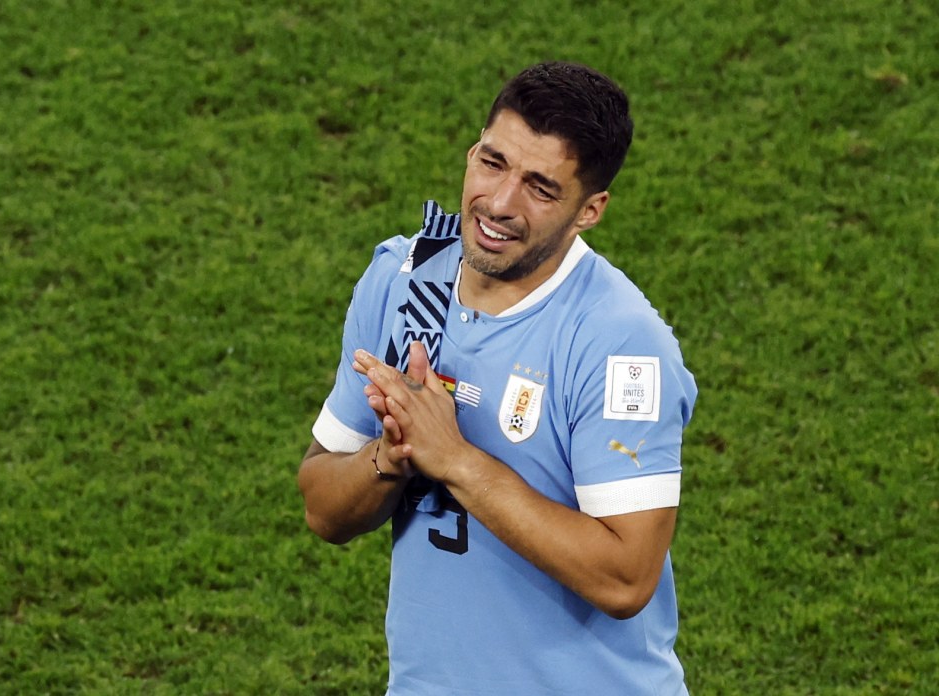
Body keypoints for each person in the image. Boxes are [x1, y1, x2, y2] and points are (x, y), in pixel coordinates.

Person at [298, 61, 697, 695]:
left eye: (540, 187)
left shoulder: (620, 343)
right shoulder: (406, 280)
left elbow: (625, 578)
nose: (500, 204)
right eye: (493, 163)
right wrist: (391, 457)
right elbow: (322, 505)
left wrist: (455, 459)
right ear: (472, 150)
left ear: (590, 209)